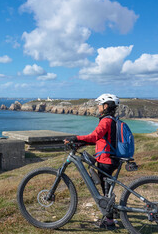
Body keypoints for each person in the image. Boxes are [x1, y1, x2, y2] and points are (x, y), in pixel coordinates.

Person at [64, 93, 120, 230]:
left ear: (106, 106)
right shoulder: (111, 119)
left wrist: (75, 138)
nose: (98, 107)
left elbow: (95, 136)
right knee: (105, 187)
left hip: (107, 159)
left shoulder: (106, 121)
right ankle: (112, 213)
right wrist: (82, 143)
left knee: (105, 189)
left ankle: (110, 221)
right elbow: (101, 139)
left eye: (100, 104)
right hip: (108, 157)